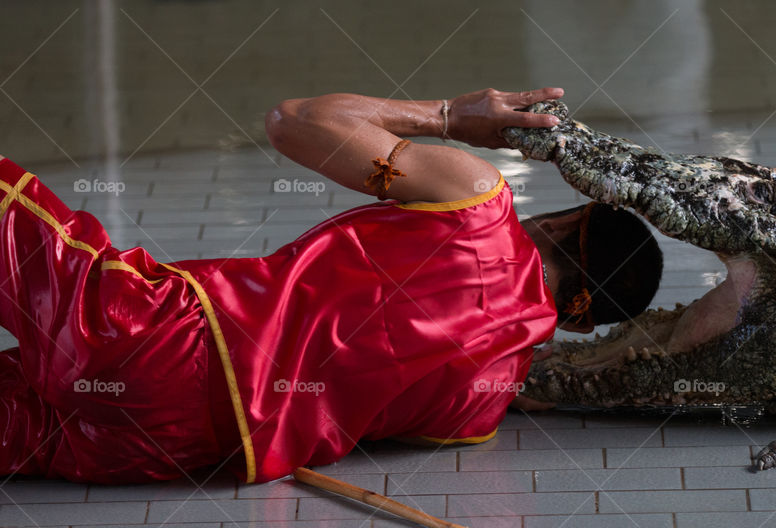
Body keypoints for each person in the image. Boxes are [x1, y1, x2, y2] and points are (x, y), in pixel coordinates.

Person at [0, 87, 662, 484]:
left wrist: (450, 115)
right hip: (170, 445)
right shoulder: (480, 410)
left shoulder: (475, 203)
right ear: (579, 320)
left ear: (572, 214)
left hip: (153, 334)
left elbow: (294, 120)